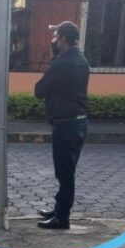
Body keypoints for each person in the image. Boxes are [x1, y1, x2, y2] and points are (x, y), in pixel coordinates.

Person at [34, 21, 90, 230]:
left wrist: (53, 58)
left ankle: (62, 217)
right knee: (67, 172)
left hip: (65, 126)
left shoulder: (61, 64)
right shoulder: (81, 60)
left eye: (56, 37)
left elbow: (39, 90)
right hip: (79, 123)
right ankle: (59, 209)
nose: (53, 41)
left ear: (65, 40)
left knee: (65, 174)